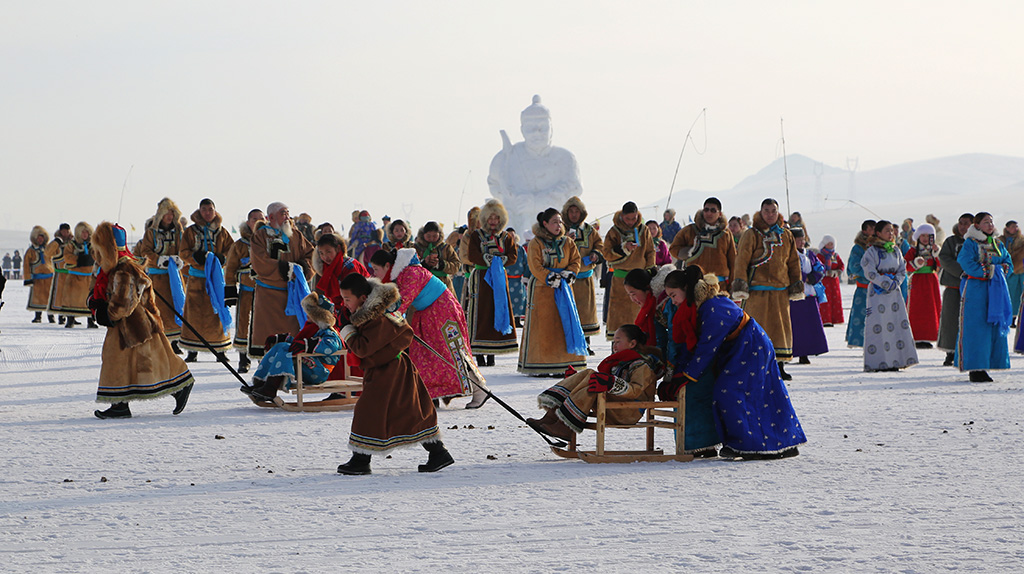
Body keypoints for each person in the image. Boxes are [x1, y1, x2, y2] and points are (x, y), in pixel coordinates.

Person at [657, 266, 805, 460]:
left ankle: (749, 445)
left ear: (686, 289)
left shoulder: (712, 308)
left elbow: (705, 349)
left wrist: (684, 377)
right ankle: (768, 443)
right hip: (740, 348)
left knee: (729, 392)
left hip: (751, 347)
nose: (672, 301)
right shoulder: (700, 307)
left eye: (674, 295)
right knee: (747, 393)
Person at [335, 274, 453, 475]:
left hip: (389, 371)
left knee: (368, 411)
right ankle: (437, 452)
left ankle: (361, 459)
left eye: (348, 300)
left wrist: (346, 330)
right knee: (409, 411)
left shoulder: (377, 319)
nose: (345, 305)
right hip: (389, 369)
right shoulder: (373, 314)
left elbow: (363, 348)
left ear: (363, 298)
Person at [89, 222, 195, 419]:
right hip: (129, 325)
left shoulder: (124, 269)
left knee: (145, 361)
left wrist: (106, 314)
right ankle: (121, 403)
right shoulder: (116, 268)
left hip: (135, 325)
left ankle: (180, 385)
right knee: (132, 362)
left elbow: (123, 303)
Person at [369, 249, 480, 406]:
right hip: (428, 313)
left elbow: (402, 304)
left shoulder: (411, 273)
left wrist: (383, 317)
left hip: (443, 311)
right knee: (424, 354)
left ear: (387, 266)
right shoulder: (401, 275)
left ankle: (479, 389)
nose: (375, 274)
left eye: (376, 269)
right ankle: (431, 395)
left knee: (450, 351)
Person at [526, 324, 664, 440]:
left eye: (618, 341)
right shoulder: (618, 363)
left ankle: (565, 426)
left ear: (632, 343)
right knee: (590, 375)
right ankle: (552, 416)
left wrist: (611, 383)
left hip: (628, 412)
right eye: (613, 342)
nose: (614, 346)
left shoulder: (642, 366)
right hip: (613, 406)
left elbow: (636, 390)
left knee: (591, 377)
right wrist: (575, 380)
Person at [487, 95, 584, 237]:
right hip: (517, 228)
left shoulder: (565, 158)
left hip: (555, 231)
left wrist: (537, 202)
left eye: (542, 128)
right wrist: (512, 200)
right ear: (522, 129)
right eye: (531, 128)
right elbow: (495, 184)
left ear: (551, 128)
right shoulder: (505, 158)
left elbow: (574, 189)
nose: (537, 133)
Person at [731, 198, 802, 381]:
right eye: (767, 210)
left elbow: (793, 263)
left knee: (780, 329)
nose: (770, 214)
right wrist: (741, 283)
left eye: (773, 211)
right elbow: (741, 261)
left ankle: (779, 366)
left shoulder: (786, 235)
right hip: (756, 292)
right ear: (761, 212)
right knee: (756, 329)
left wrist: (796, 284)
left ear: (778, 213)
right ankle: (755, 366)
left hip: (780, 291)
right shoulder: (751, 234)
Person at [517, 208, 586, 376]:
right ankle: (539, 364)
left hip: (564, 288)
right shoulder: (536, 243)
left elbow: (575, 260)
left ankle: (564, 363)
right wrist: (549, 277)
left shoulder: (567, 242)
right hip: (542, 290)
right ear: (545, 224)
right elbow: (534, 265)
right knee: (543, 327)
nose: (558, 225)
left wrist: (570, 273)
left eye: (560, 222)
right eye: (554, 222)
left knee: (564, 324)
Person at [246, 292, 344, 402]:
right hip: (309, 366)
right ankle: (262, 383)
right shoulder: (312, 328)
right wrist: (283, 339)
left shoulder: (329, 332)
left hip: (319, 371)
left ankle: (271, 387)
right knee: (281, 346)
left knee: (285, 350)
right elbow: (298, 344)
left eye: (310, 313)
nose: (307, 315)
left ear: (319, 315)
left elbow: (331, 346)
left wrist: (308, 345)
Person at [248, 202, 313, 358]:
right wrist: (284, 269)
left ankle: (292, 370)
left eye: (288, 213)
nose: (287, 217)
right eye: (283, 213)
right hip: (269, 297)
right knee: (268, 335)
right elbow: (259, 262)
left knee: (293, 336)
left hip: (293, 295)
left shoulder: (296, 235)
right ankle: (267, 373)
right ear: (271, 217)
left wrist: (302, 268)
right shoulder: (260, 236)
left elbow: (311, 255)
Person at [955, 212, 1013, 382]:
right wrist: (990, 271)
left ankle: (989, 363)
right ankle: (975, 368)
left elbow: (1007, 261)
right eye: (986, 222)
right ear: (977, 225)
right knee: (976, 327)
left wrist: (1001, 269)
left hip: (996, 290)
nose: (990, 224)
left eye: (991, 221)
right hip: (976, 290)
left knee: (993, 326)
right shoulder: (970, 243)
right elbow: (966, 262)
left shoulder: (997, 243)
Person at [464, 199, 519, 365]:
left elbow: (513, 256)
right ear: (485, 219)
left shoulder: (506, 237)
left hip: (499, 279)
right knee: (481, 312)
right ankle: (479, 352)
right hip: (481, 278)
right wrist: (488, 260)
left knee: (498, 309)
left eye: (496, 218)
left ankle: (493, 352)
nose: (493, 221)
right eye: (490, 218)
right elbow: (472, 255)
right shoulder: (476, 236)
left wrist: (501, 261)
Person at [178, 199, 234, 361]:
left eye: (210, 209)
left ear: (215, 211)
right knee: (193, 314)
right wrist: (195, 257)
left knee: (217, 311)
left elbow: (232, 250)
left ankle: (220, 350)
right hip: (196, 279)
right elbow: (183, 252)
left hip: (216, 279)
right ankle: (192, 349)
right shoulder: (190, 231)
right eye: (204, 209)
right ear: (199, 211)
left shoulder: (222, 232)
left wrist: (222, 258)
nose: (207, 212)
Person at [861, 220, 918, 372]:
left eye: (892, 230)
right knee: (879, 326)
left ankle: (898, 360)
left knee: (896, 324)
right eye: (887, 230)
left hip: (894, 293)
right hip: (878, 294)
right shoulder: (871, 252)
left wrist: (896, 282)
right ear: (878, 233)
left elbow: (902, 269)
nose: (891, 233)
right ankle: (879, 362)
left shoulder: (896, 250)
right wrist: (885, 282)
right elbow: (869, 271)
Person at [138, 198, 186, 354]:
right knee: (159, 308)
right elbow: (145, 250)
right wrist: (159, 259)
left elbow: (184, 248)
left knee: (176, 306)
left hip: (175, 276)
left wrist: (180, 259)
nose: (169, 216)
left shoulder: (178, 231)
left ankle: (176, 341)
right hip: (158, 277)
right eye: (167, 213)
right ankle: (161, 340)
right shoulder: (151, 232)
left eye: (172, 213)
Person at [602, 201, 655, 339]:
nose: (631, 221)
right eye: (628, 218)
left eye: (634, 218)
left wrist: (649, 270)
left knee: (640, 316)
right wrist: (623, 248)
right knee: (620, 317)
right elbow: (606, 253)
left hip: (640, 280)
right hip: (620, 281)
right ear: (622, 216)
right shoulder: (614, 232)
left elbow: (650, 251)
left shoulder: (644, 230)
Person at [561, 196, 603, 349]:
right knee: (569, 311)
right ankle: (569, 344)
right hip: (566, 279)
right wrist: (564, 239)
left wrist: (595, 254)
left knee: (585, 312)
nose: (573, 214)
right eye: (570, 211)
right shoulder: (560, 229)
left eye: (576, 211)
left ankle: (585, 344)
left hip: (585, 278)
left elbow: (600, 244)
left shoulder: (589, 230)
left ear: (582, 213)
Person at [224, 208, 263, 372]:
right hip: (246, 290)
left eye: (261, 219)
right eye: (254, 219)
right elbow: (231, 268)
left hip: (265, 293)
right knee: (243, 324)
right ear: (248, 222)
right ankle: (243, 359)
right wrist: (231, 289)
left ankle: (263, 358)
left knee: (263, 325)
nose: (258, 222)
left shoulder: (269, 243)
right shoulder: (239, 245)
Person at [668, 197, 736, 289]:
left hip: (720, 285)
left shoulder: (725, 234)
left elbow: (733, 261)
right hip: (695, 284)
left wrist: (733, 284)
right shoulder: (690, 230)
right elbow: (673, 248)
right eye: (706, 210)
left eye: (713, 210)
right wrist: (690, 252)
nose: (709, 213)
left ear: (719, 214)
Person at [937, 214, 973, 366]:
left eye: (966, 223)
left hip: (972, 287)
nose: (963, 226)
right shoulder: (951, 241)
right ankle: (950, 352)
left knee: (969, 320)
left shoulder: (975, 242)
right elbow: (944, 258)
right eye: (961, 223)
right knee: (950, 320)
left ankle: (968, 350)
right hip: (953, 286)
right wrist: (962, 271)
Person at [790, 228, 828, 364]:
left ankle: (806, 353)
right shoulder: (789, 255)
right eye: (797, 240)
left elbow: (820, 267)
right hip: (795, 294)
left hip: (810, 293)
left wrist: (815, 277)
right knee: (796, 326)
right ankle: (793, 352)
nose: (801, 242)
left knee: (810, 325)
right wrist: (804, 277)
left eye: (802, 239)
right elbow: (790, 271)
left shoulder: (810, 254)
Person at [904, 223, 941, 348]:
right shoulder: (913, 251)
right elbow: (906, 265)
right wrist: (915, 263)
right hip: (917, 281)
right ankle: (916, 336)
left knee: (931, 308)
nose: (925, 238)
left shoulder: (934, 250)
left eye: (928, 236)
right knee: (916, 307)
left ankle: (929, 335)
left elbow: (941, 264)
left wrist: (937, 253)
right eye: (922, 235)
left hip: (931, 281)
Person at [845, 220, 876, 348]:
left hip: (879, 289)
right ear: (865, 230)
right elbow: (854, 267)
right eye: (872, 229)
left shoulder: (880, 246)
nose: (874, 231)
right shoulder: (858, 248)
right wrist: (872, 273)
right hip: (863, 289)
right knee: (861, 318)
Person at [62, 222, 97, 328]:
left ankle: (90, 321)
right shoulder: (71, 245)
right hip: (75, 277)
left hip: (89, 277)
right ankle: (70, 319)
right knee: (72, 299)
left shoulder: (93, 245)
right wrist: (79, 260)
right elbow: (67, 257)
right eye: (83, 232)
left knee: (89, 299)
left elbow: (98, 256)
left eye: (86, 232)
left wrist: (91, 259)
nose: (85, 234)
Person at [413, 221, 461, 294]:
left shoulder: (446, 248)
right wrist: (424, 263)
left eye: (435, 236)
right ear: (423, 235)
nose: (432, 238)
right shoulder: (416, 248)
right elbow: (409, 267)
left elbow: (456, 265)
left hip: (443, 285)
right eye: (429, 236)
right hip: (422, 286)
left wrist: (441, 264)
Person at [23, 226, 54, 323]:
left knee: (50, 298)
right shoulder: (30, 251)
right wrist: (28, 278)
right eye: (38, 238)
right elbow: (26, 266)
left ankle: (51, 316)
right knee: (37, 298)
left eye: (42, 237)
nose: (40, 240)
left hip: (49, 278)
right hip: (37, 279)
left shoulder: (49, 249)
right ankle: (38, 316)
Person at [813, 234, 845, 327]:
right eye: (829, 244)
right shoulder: (820, 255)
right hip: (824, 281)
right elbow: (818, 266)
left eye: (832, 244)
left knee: (835, 299)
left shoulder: (835, 255)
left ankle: (835, 319)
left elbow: (841, 265)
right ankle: (825, 320)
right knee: (825, 300)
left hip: (834, 282)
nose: (831, 246)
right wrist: (826, 272)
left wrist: (838, 272)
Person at [46, 223, 71, 324]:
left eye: (67, 231)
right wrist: (57, 242)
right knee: (57, 294)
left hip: (71, 273)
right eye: (63, 231)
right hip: (59, 273)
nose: (65, 233)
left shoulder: (73, 242)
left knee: (69, 296)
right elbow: (48, 252)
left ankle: (67, 315)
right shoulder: (56, 242)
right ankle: (52, 314)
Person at [1000, 220, 1024, 325]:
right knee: (1010, 295)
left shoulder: (1022, 240)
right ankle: (1011, 317)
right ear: (1007, 228)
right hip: (1008, 272)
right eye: (1013, 226)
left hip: (1021, 270)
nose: (1015, 228)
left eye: (1016, 226)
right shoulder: (1001, 240)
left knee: (1020, 295)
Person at [503, 228, 529, 325]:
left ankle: (517, 320)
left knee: (520, 300)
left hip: (519, 279)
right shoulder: (503, 249)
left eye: (512, 235)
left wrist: (526, 275)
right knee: (507, 299)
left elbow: (526, 263)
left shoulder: (520, 249)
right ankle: (508, 320)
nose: (511, 237)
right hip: (507, 278)